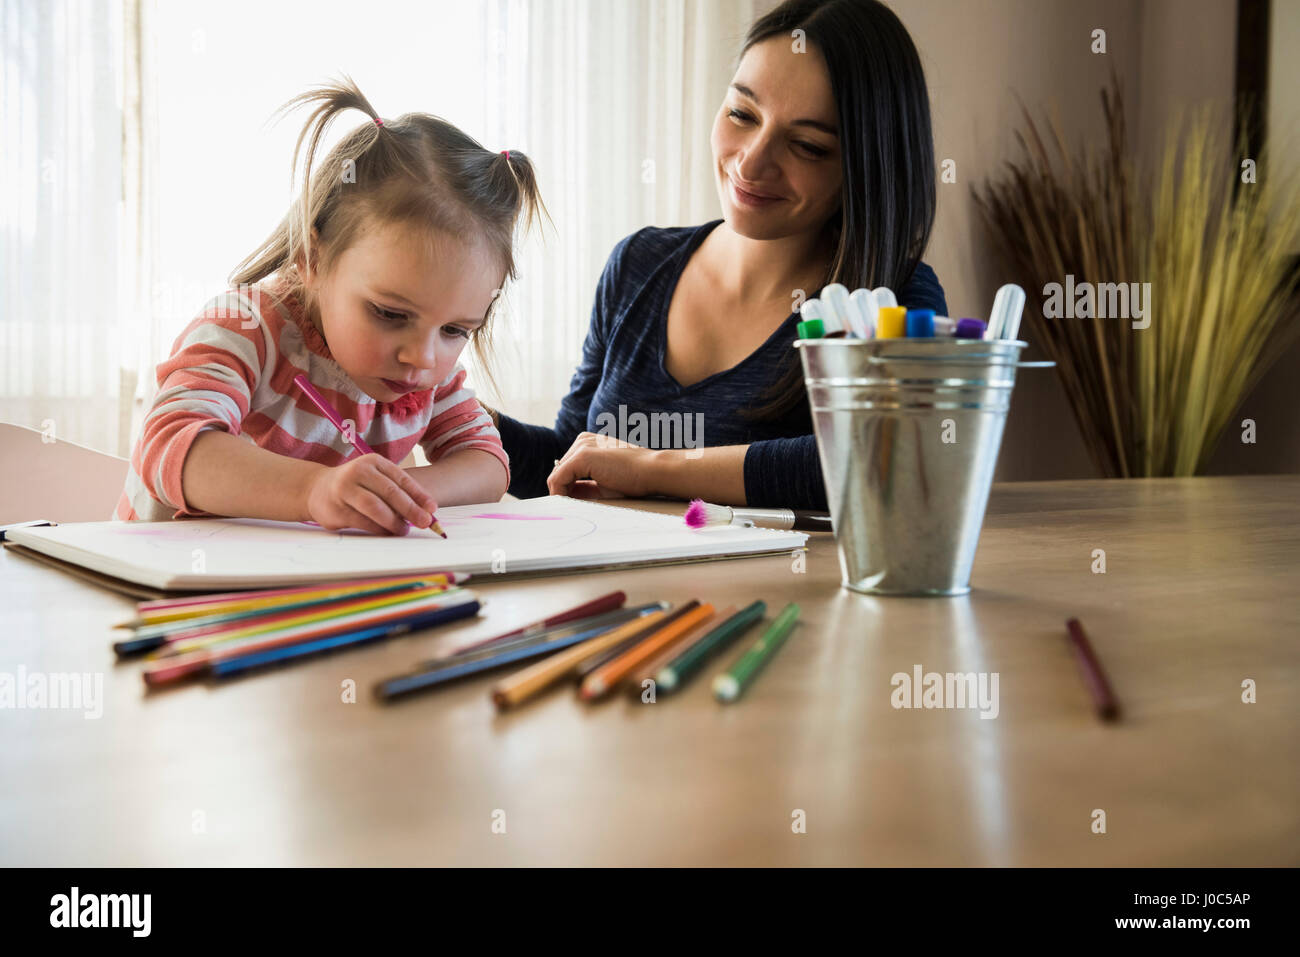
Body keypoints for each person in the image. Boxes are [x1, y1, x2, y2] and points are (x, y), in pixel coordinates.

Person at [496, 0, 945, 511]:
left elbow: (884, 459)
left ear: (868, 165)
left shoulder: (891, 299)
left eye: (807, 145)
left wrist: (653, 467)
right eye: (741, 113)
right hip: (626, 586)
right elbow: (571, 464)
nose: (752, 161)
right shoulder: (637, 263)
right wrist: (464, 418)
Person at [116, 77, 545, 534]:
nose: (422, 356)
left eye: (456, 330)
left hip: (307, 590)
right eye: (390, 314)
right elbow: (168, 445)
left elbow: (488, 464)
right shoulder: (245, 328)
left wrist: (392, 492)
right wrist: (314, 490)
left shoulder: (425, 371)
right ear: (313, 258)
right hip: (173, 590)